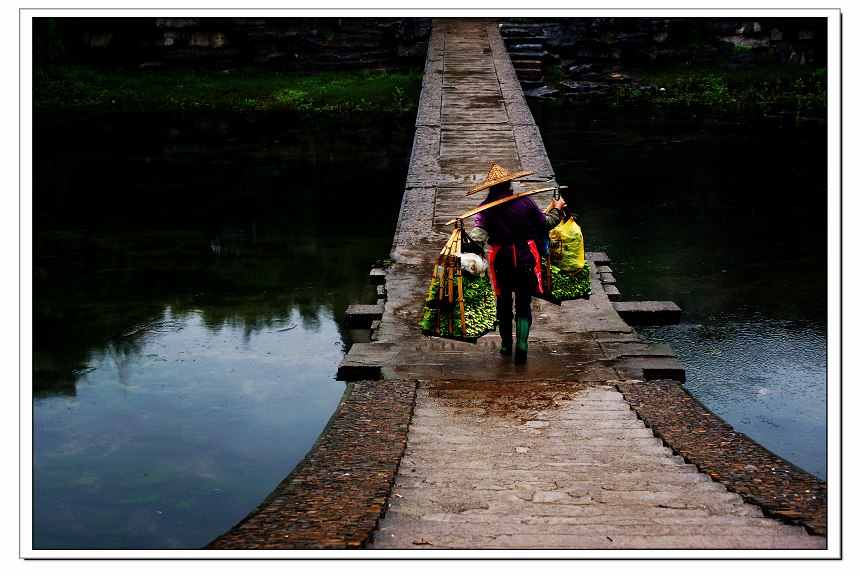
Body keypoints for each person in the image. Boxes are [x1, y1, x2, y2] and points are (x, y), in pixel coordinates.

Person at [467, 162, 566, 364]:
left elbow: (477, 239)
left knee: (503, 303)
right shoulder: (526, 203)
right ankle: (522, 344)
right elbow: (545, 223)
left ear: (490, 188)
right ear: (509, 183)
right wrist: (557, 209)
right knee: (523, 302)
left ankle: (505, 346)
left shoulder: (485, 210)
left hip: (501, 261)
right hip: (525, 258)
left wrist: (464, 246)